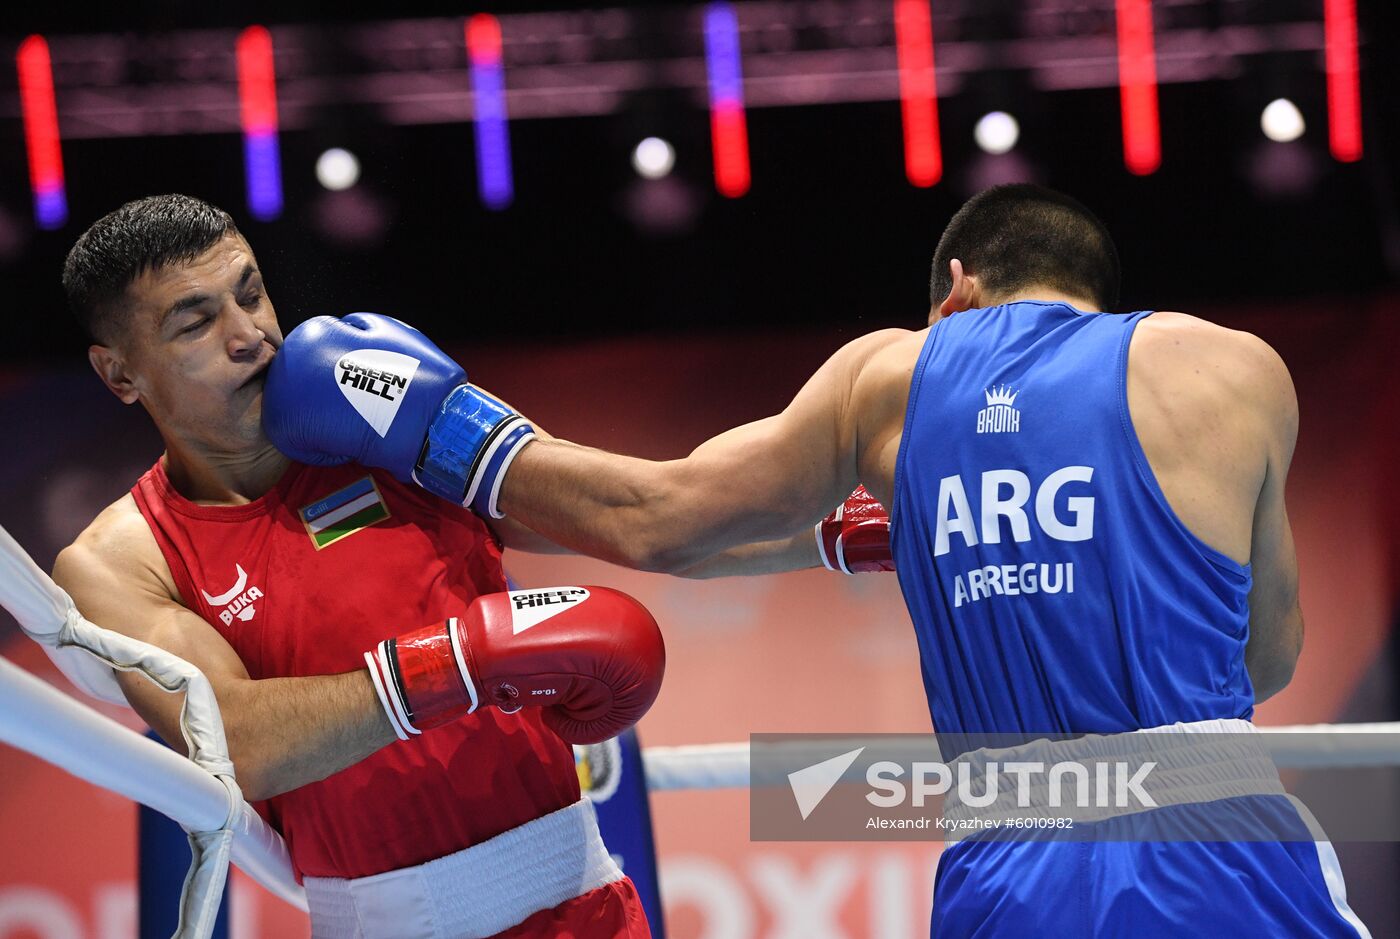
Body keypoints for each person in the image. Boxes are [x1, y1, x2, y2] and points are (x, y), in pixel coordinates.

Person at [264, 183, 1369, 936]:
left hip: (1013, 849)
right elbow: (1264, 662)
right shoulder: (1234, 372)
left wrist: (436, 432)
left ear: (954, 287)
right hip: (1215, 817)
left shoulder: (895, 372)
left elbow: (659, 516)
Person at [50, 194, 669, 939]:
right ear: (120, 374)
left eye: (251, 294)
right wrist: (457, 663)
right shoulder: (123, 556)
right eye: (195, 322)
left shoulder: (379, 403)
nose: (249, 336)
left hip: (586, 907)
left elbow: (619, 509)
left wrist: (819, 526)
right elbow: (236, 743)